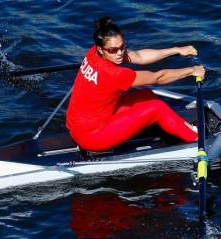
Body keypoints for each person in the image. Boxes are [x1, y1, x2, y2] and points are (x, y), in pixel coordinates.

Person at [66, 16, 205, 152]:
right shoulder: (115, 74)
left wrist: (176, 50)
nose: (119, 53)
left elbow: (139, 56)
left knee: (147, 95)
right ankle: (196, 137)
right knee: (157, 107)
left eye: (122, 47)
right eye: (113, 50)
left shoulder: (93, 53)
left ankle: (177, 126)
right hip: (91, 138)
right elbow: (158, 78)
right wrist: (192, 71)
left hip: (78, 125)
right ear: (101, 49)